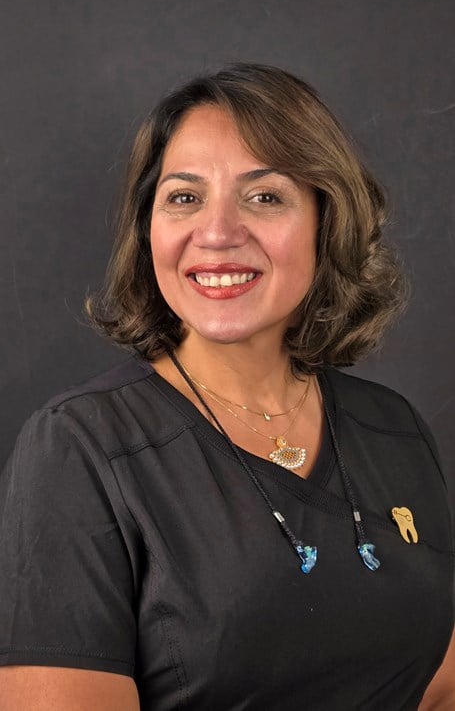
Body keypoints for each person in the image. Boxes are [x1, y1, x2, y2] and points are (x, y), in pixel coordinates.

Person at [0, 63, 453, 711]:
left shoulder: (394, 428)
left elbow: (437, 685)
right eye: (184, 197)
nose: (216, 233)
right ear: (148, 229)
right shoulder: (80, 447)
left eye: (264, 196)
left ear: (327, 220)